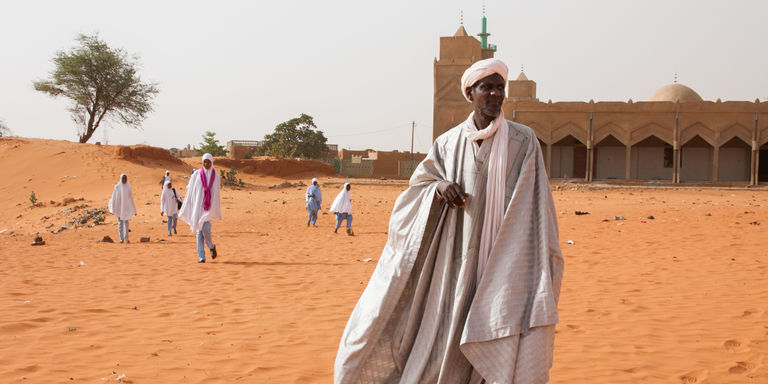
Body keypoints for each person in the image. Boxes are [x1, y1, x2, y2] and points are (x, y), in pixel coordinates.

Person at [334, 58, 564, 384]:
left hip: (505, 258)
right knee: (449, 328)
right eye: (487, 87)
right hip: (455, 261)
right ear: (470, 93)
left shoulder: (524, 142)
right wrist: (439, 188)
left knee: (499, 323)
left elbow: (535, 200)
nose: (495, 94)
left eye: (500, 87)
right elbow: (417, 191)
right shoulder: (447, 143)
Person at [179, 153, 221, 263]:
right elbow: (191, 189)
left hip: (208, 207)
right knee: (199, 232)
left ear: (212, 163)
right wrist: (190, 204)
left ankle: (211, 246)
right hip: (197, 206)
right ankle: (201, 257)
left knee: (206, 229)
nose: (206, 164)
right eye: (204, 162)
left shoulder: (216, 177)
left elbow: (216, 193)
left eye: (209, 162)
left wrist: (213, 206)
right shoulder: (196, 175)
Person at [108, 174, 137, 244]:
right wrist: (113, 208)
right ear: (121, 179)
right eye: (123, 179)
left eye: (125, 179)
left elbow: (131, 198)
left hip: (126, 207)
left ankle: (126, 238)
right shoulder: (117, 187)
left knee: (126, 223)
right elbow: (114, 197)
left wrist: (134, 210)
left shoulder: (128, 186)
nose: (124, 180)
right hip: (119, 207)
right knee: (120, 223)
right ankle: (121, 239)